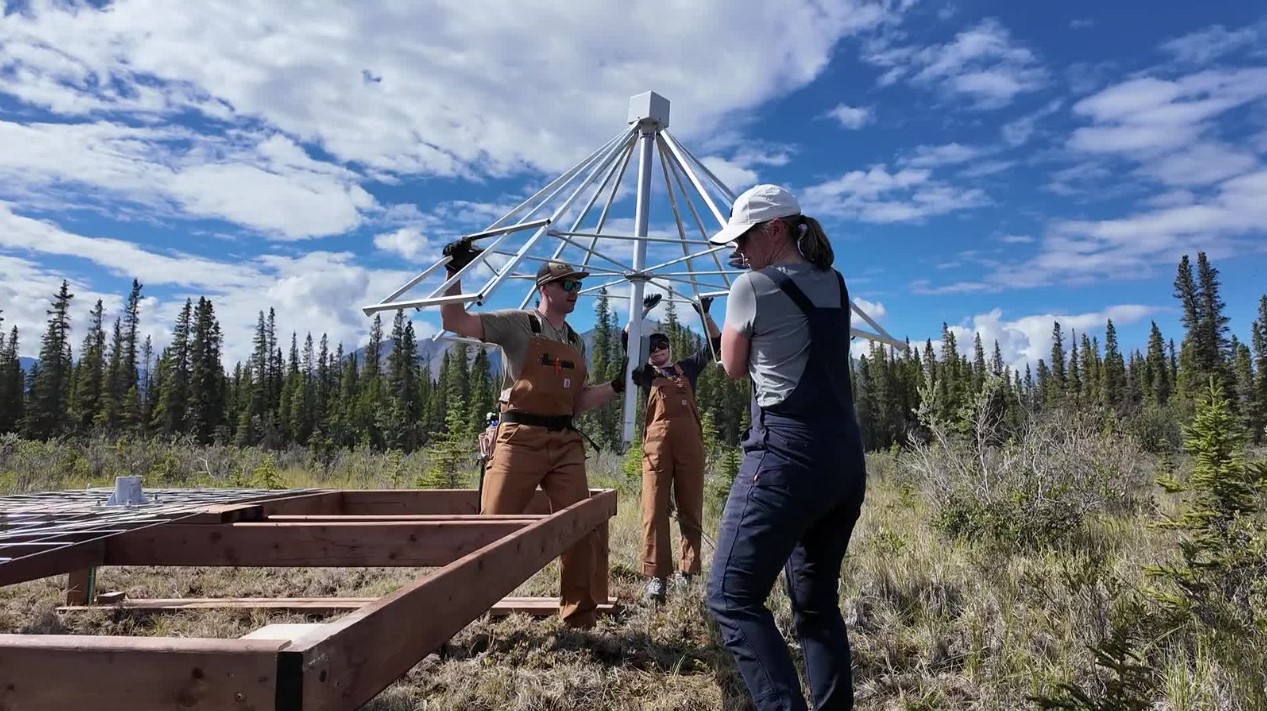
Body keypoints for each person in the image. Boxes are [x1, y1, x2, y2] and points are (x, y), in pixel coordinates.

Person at [705, 184, 867, 710]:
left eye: (744, 238)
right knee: (817, 605)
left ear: (774, 230)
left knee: (730, 596)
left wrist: (724, 314)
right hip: (844, 460)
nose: (739, 251)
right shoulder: (836, 282)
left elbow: (731, 367)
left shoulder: (750, 285)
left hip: (785, 457)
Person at [438, 239, 625, 629]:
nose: (576, 292)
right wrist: (454, 273)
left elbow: (575, 402)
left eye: (578, 286)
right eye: (568, 285)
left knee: (579, 527)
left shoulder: (575, 341)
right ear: (545, 289)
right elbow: (456, 322)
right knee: (493, 527)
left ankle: (579, 618)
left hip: (564, 442)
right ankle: (473, 612)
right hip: (518, 437)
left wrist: (618, 386)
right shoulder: (518, 323)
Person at [620, 293, 721, 602]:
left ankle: (689, 572)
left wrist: (704, 315)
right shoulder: (644, 374)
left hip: (690, 448)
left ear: (670, 348)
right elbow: (627, 341)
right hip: (656, 451)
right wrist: (643, 310)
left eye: (661, 346)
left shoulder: (687, 368)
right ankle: (656, 578)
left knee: (691, 507)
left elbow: (714, 346)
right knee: (653, 510)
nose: (657, 351)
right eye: (652, 348)